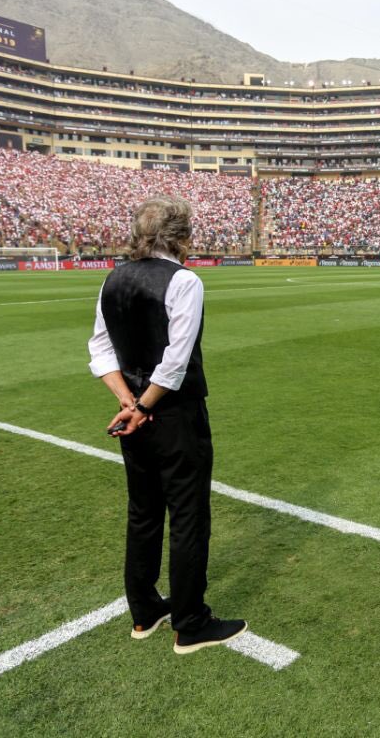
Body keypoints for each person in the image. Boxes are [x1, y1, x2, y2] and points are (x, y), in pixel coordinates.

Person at [87, 196, 247, 655]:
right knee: (188, 515)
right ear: (181, 237)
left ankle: (144, 610)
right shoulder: (185, 280)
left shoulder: (112, 277)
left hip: (132, 413)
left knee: (143, 511)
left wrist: (128, 402)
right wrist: (144, 404)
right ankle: (191, 623)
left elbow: (99, 350)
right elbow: (175, 362)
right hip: (174, 415)